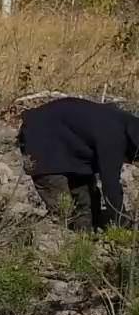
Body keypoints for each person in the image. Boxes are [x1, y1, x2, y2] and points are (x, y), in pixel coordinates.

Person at [17, 96, 139, 231]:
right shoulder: (114, 137)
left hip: (71, 149)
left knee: (89, 207)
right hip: (40, 140)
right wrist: (122, 225)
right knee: (65, 213)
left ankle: (86, 240)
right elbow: (111, 186)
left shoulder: (124, 123)